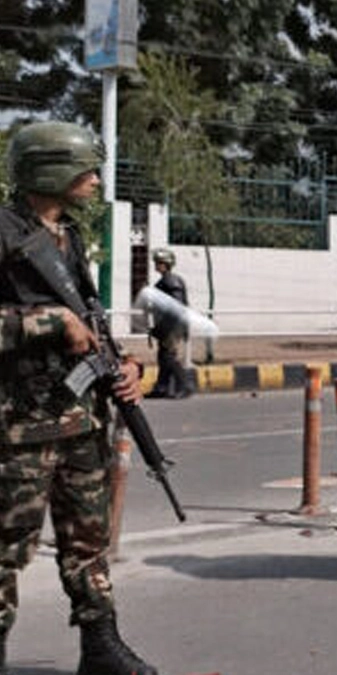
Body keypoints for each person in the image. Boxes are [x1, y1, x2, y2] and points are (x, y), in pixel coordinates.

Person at [0, 122, 158, 673]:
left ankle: (100, 646)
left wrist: (124, 366)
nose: (95, 180)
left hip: (78, 421)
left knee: (87, 541)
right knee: (5, 550)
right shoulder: (4, 232)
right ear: (50, 170)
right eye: (86, 169)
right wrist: (48, 322)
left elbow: (89, 322)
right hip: (18, 430)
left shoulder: (67, 237)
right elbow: (51, 321)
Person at [147, 248, 193, 399]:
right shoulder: (165, 281)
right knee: (163, 356)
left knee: (168, 357)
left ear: (166, 264)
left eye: (159, 263)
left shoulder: (171, 281)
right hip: (167, 325)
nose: (156, 265)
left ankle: (185, 385)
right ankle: (162, 386)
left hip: (172, 327)